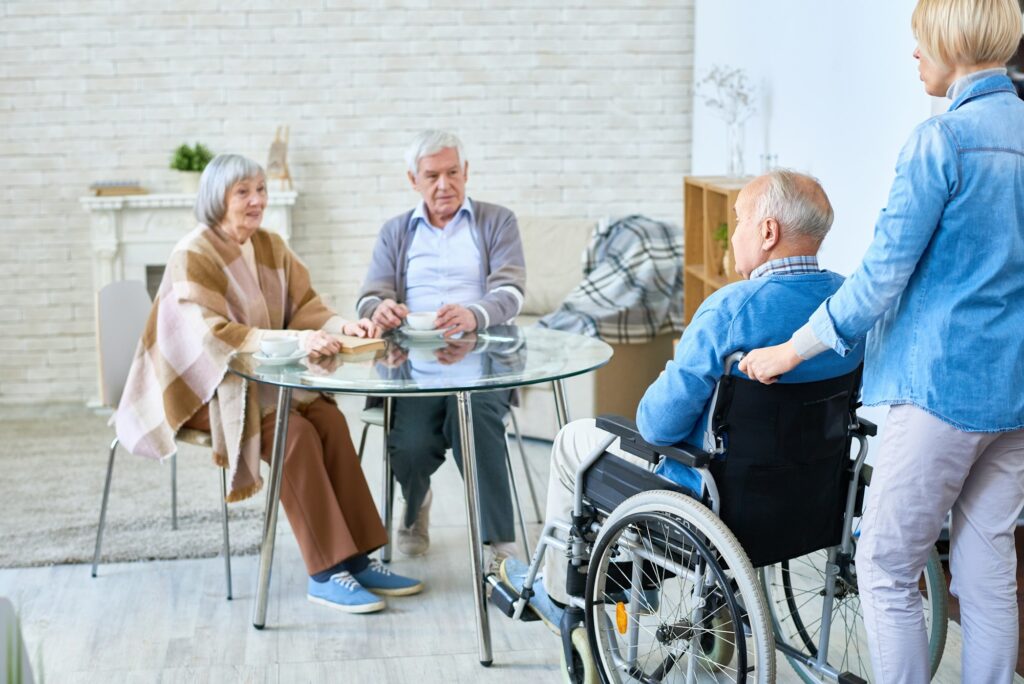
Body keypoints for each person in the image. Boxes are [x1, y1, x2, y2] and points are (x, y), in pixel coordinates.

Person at [739, 2, 1024, 680]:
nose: (914, 55)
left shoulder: (943, 141)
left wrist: (789, 351)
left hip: (939, 392)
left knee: (886, 565)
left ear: (950, 43)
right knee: (989, 577)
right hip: (1015, 396)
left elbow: (877, 281)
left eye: (919, 40)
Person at [500, 170, 863, 623]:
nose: (732, 237)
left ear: (767, 232)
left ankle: (559, 598)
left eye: (739, 221)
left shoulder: (731, 308)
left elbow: (657, 426)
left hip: (710, 500)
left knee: (574, 439)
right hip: (810, 498)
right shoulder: (848, 303)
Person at [115, 154, 422, 615]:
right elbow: (212, 338)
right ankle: (324, 572)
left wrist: (344, 326)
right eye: (243, 192)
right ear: (217, 198)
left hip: (256, 377)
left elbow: (307, 308)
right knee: (293, 434)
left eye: (260, 189)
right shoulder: (192, 254)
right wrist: (300, 339)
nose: (257, 200)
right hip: (200, 387)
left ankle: (357, 558)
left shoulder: (271, 245)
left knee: (328, 419)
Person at [357, 130, 526, 567]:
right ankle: (415, 507)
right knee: (409, 444)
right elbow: (368, 296)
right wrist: (383, 309)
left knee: (476, 421)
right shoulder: (396, 231)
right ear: (413, 179)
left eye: (453, 172)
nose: (444, 184)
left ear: (466, 172)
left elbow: (512, 291)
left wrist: (474, 313)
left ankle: (499, 543)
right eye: (432, 175)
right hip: (414, 365)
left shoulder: (497, 220)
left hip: (483, 360)